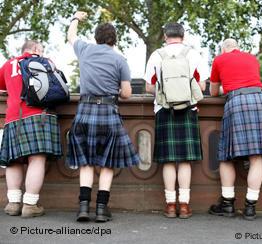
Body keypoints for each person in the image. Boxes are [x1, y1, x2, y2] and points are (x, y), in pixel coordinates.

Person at [66, 11, 140, 222]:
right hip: (108, 112)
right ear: (114, 40)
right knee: (107, 163)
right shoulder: (119, 59)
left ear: (96, 37)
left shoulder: (85, 50)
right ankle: (100, 209)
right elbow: (126, 93)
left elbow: (71, 36)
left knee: (86, 163)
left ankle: (82, 208)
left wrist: (75, 19)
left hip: (85, 111)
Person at [144, 22, 207, 219]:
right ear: (183, 36)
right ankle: (185, 205)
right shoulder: (194, 54)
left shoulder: (157, 55)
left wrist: (167, 91)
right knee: (185, 160)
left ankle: (170, 205)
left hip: (164, 109)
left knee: (169, 161)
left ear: (165, 37)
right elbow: (203, 86)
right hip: (188, 109)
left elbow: (148, 87)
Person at [208, 38, 262, 220]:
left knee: (226, 156)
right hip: (260, 100)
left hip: (237, 102)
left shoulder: (219, 60)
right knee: (256, 156)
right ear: (238, 47)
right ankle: (250, 208)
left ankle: (228, 206)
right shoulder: (251, 58)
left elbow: (213, 92)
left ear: (224, 49)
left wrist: (227, 86)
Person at [0, 40, 62, 218]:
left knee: (13, 160)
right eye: (41, 50)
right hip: (40, 115)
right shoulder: (46, 62)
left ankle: (13, 203)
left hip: (13, 116)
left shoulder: (9, 64)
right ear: (35, 49)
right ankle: (30, 204)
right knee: (37, 159)